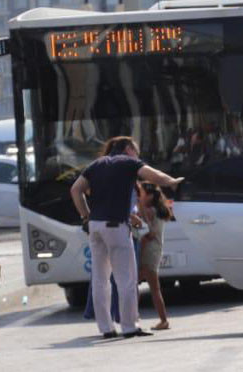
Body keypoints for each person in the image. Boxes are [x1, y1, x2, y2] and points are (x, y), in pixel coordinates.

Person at [69, 136, 183, 339]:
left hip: (95, 227)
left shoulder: (95, 165)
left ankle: (106, 328)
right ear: (128, 148)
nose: (137, 155)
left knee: (100, 279)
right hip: (116, 228)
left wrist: (86, 216)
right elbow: (152, 175)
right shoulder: (128, 163)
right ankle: (129, 327)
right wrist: (172, 182)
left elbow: (76, 190)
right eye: (136, 151)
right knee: (127, 278)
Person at [137, 182, 171, 330]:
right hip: (155, 250)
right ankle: (162, 320)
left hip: (149, 251)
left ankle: (133, 319)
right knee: (151, 288)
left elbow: (149, 234)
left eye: (142, 193)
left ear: (150, 196)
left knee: (135, 286)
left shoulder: (150, 210)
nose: (140, 197)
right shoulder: (159, 209)